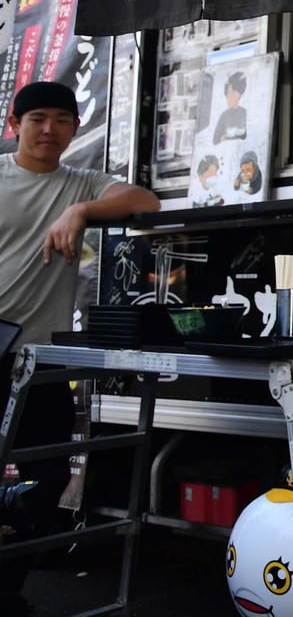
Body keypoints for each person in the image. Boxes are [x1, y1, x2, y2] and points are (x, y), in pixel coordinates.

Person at [0, 80, 160, 610]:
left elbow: (146, 199)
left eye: (62, 120)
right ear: (15, 125)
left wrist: (81, 212)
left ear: (73, 129)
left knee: (46, 481)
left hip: (38, 360)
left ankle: (8, 590)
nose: (49, 129)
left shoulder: (81, 184)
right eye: (37, 118)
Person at [211, 71, 247, 143]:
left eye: (233, 93)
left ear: (239, 95)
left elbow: (245, 137)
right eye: (228, 92)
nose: (230, 97)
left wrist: (226, 138)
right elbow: (215, 140)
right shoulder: (224, 115)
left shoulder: (244, 113)